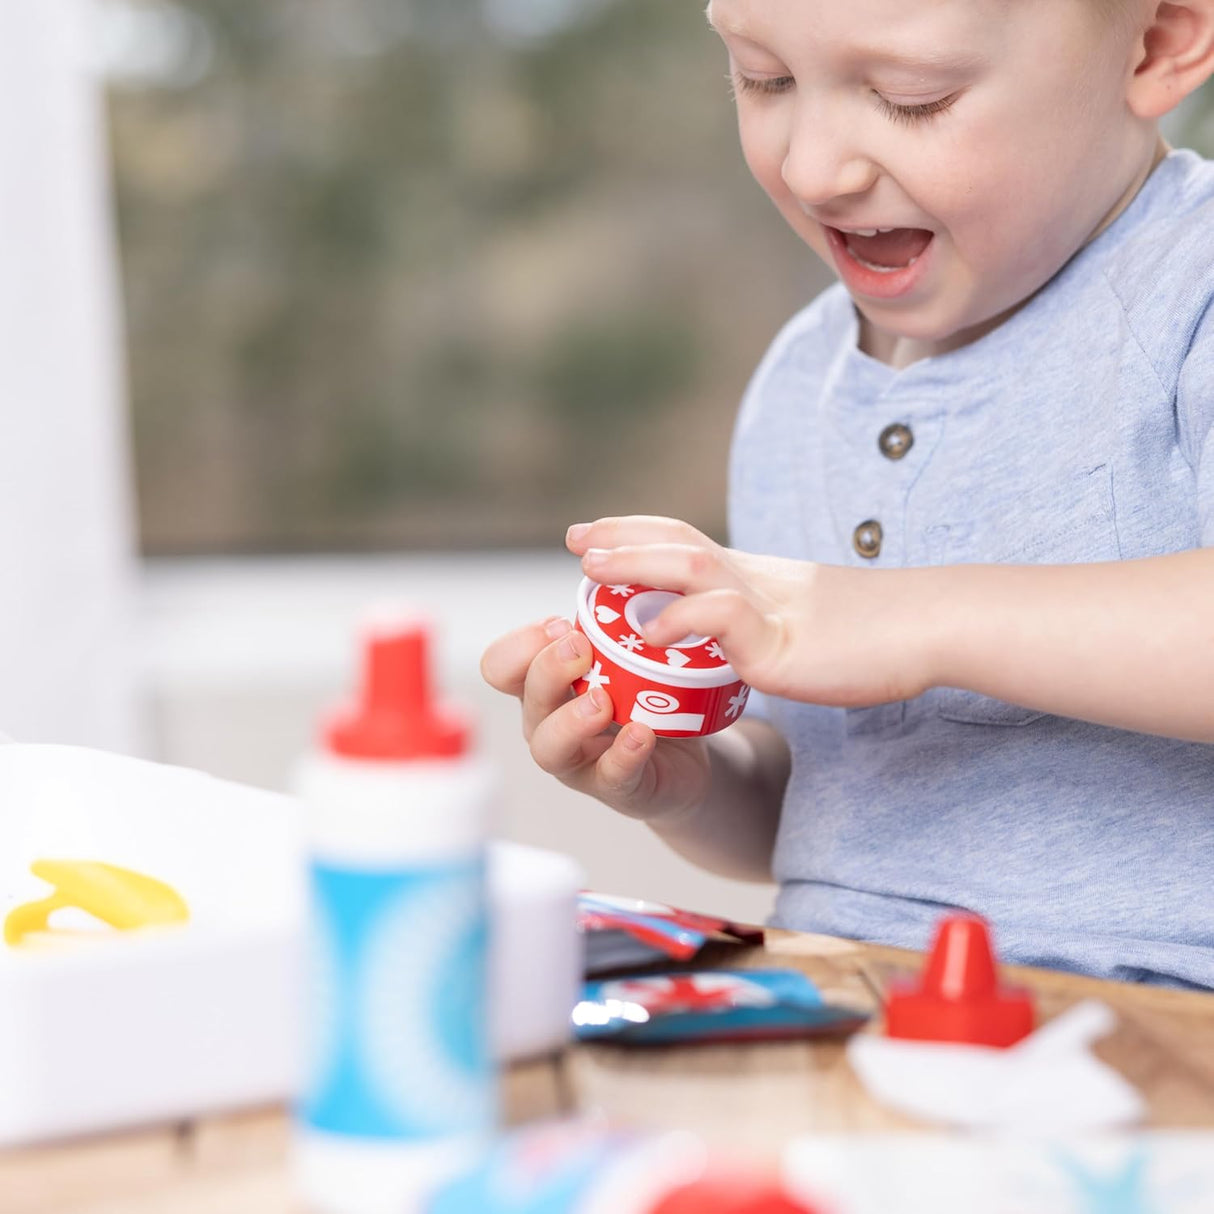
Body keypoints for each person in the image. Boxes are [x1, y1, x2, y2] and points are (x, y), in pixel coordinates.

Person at [481, 0, 1214, 988]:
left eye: (913, 98)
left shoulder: (1190, 295)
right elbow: (829, 795)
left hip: (1154, 1023)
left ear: (1158, 41)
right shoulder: (795, 382)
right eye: (763, 78)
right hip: (836, 996)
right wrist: (691, 782)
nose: (810, 166)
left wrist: (905, 619)